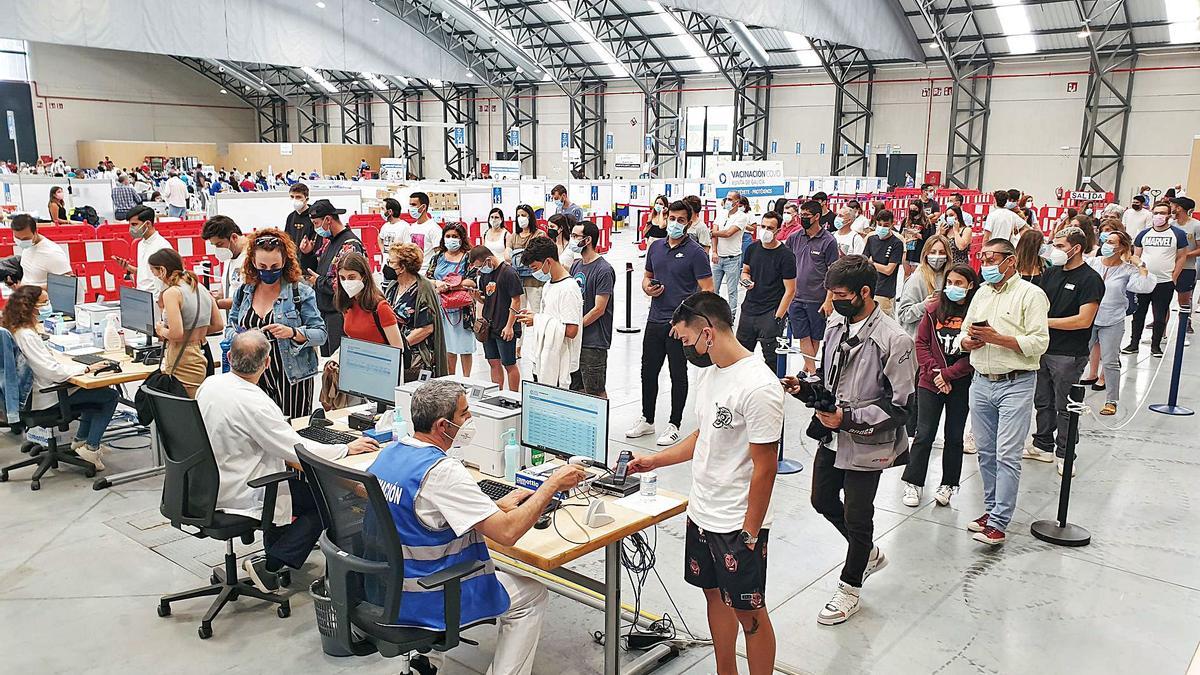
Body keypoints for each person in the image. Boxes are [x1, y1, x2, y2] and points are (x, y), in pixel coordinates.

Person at [366, 380, 587, 675]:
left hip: (389, 587)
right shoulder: (442, 471)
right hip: (428, 595)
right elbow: (507, 534)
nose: (470, 420)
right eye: (465, 414)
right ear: (443, 426)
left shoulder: (391, 453)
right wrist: (552, 485)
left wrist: (490, 507)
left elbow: (422, 511)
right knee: (532, 595)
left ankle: (428, 662)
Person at [625, 291, 782, 675]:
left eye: (684, 340)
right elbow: (704, 436)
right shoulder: (712, 375)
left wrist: (750, 531)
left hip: (737, 522)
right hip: (703, 511)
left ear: (707, 333)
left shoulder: (759, 386)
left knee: (750, 613)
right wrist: (654, 461)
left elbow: (766, 466)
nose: (682, 350)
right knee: (715, 596)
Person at [782, 255, 914, 625]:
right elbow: (828, 377)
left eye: (840, 294)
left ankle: (850, 588)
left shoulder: (895, 340)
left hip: (868, 442)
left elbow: (902, 407)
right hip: (831, 436)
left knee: (859, 517)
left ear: (864, 293)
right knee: (821, 499)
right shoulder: (835, 326)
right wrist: (805, 388)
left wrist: (850, 419)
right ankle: (867, 553)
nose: (833, 300)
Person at [196, 330, 378, 590]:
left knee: (296, 491)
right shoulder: (255, 402)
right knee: (325, 502)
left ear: (228, 356)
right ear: (267, 363)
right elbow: (297, 452)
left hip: (210, 485)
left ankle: (276, 555)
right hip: (246, 489)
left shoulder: (210, 385)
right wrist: (346, 447)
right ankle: (272, 563)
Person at [961, 238, 1050, 546]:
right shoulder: (981, 293)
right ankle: (991, 509)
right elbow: (964, 330)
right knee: (985, 453)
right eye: (982, 258)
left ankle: (999, 521)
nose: (986, 264)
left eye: (991, 258)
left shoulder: (1031, 295)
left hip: (1016, 383)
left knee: (1007, 455)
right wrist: (967, 341)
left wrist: (999, 339)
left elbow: (1039, 342)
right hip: (981, 381)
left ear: (1010, 261)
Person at [2, 285, 121, 470]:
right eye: (44, 303)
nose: (48, 306)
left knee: (94, 390)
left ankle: (80, 442)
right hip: (45, 397)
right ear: (30, 306)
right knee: (109, 396)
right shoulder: (26, 335)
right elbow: (51, 371)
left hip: (32, 394)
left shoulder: (15, 329)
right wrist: (87, 368)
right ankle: (90, 447)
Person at [626, 200, 714, 447]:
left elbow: (708, 289)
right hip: (655, 319)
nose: (675, 223)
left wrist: (690, 320)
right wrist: (648, 289)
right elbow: (647, 277)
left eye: (681, 220)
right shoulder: (655, 248)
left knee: (678, 373)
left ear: (688, 222)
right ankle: (648, 419)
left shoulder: (696, 253)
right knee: (648, 371)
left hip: (680, 325)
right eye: (672, 218)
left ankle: (674, 423)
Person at [1023, 227, 1103, 477]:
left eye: (1059, 246)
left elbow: (1083, 320)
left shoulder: (1090, 280)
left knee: (1065, 405)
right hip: (1043, 348)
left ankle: (1066, 453)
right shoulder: (1051, 273)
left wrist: (1045, 322)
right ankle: (1043, 444)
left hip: (1068, 353)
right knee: (1043, 400)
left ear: (1076, 248)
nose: (1054, 250)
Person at [228, 230, 327, 419]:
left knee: (293, 432)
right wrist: (242, 339)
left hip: (291, 377)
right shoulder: (244, 292)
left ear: (285, 263)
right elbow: (230, 327)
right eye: (262, 266)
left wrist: (292, 332)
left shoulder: (300, 293)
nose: (268, 271)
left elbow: (320, 334)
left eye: (275, 266)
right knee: (258, 431)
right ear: (253, 263)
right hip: (252, 375)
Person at [901, 264, 978, 508]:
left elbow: (974, 353)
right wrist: (936, 374)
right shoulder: (934, 310)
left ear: (970, 286)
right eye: (950, 283)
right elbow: (921, 343)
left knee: (954, 436)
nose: (954, 288)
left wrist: (948, 374)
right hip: (930, 382)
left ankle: (948, 484)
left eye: (960, 283)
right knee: (923, 434)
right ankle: (913, 483)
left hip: (960, 383)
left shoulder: (975, 313)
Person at [1082, 230, 1154, 415]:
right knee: (1079, 357)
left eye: (1112, 241)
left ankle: (1111, 400)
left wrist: (1140, 264)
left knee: (1110, 360)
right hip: (1087, 318)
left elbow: (1144, 287)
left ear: (1121, 247)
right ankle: (1072, 395)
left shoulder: (1127, 270)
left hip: (1112, 319)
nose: (1106, 244)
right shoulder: (1092, 263)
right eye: (1105, 240)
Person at [149, 248, 224, 397]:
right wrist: (197, 332)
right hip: (203, 350)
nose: (155, 277)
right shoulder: (199, 286)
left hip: (183, 357)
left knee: (185, 407)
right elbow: (218, 325)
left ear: (162, 270)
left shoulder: (172, 293)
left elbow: (176, 334)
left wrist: (161, 330)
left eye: (154, 272)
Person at [516, 237, 582, 388]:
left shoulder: (568, 288)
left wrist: (537, 320)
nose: (534, 272)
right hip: (544, 358)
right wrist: (534, 317)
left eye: (534, 267)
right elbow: (549, 318)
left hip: (562, 364)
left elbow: (572, 330)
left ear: (548, 261)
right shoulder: (548, 285)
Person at [1125, 203, 1187, 357]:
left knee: (1159, 316)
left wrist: (1174, 277)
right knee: (1138, 314)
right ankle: (1134, 344)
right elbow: (1136, 255)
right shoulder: (1143, 234)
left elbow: (1182, 257)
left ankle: (1156, 345)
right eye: (1156, 212)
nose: (1159, 216)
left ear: (1169, 215)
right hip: (1144, 281)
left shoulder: (1177, 234)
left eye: (1163, 213)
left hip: (1164, 282)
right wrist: (1138, 272)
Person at [303, 199, 365, 356]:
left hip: (340, 313)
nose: (316, 228)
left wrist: (319, 282)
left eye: (317, 223)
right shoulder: (329, 242)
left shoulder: (349, 245)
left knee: (338, 363)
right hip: (325, 312)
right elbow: (316, 270)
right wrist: (307, 254)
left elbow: (347, 285)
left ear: (328, 220)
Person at [785, 200, 839, 374]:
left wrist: (829, 299)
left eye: (807, 216)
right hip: (796, 296)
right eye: (801, 215)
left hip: (817, 298)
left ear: (817, 217)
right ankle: (813, 372)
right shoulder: (794, 238)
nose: (803, 218)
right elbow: (785, 262)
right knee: (802, 335)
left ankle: (806, 370)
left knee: (815, 337)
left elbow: (833, 272)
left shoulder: (829, 241)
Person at [738, 211, 796, 369]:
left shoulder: (786, 256)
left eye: (770, 228)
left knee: (772, 360)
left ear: (778, 230)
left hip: (770, 312)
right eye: (763, 226)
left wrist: (778, 317)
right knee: (741, 357)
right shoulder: (752, 248)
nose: (765, 230)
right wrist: (745, 280)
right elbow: (745, 271)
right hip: (748, 309)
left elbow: (790, 290)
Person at [383, 242, 447, 378]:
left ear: (402, 267)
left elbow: (427, 328)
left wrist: (400, 346)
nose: (387, 265)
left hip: (415, 357)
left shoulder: (422, 289)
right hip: (394, 352)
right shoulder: (393, 286)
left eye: (391, 262)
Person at [568, 220, 615, 398]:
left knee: (595, 389)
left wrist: (577, 326)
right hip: (576, 339)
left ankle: (601, 425)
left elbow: (599, 309)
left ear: (587, 240)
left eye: (575, 236)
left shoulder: (603, 270)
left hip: (593, 341)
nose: (572, 239)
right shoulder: (576, 265)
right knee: (576, 387)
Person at [468, 244, 523, 391]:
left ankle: (514, 396)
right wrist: (477, 298)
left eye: (480, 266)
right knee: (493, 362)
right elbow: (488, 299)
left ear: (488, 259)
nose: (480, 270)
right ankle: (497, 393)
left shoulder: (508, 273)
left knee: (509, 364)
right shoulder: (485, 274)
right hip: (489, 325)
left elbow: (516, 300)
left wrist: (510, 325)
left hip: (505, 324)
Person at [427, 222, 477, 376]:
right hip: (441, 307)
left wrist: (450, 286)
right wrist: (438, 283)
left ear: (462, 238)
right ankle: (451, 377)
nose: (451, 239)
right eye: (448, 236)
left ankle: (467, 379)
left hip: (462, 309)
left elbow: (472, 281)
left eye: (455, 236)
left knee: (465, 346)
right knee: (448, 346)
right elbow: (428, 278)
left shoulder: (468, 257)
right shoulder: (437, 258)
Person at [335, 252, 404, 348]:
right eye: (342, 278)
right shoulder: (347, 304)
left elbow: (398, 348)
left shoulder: (381, 307)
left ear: (364, 277)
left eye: (351, 277)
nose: (346, 282)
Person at [897, 235, 951, 336]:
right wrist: (924, 306)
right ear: (926, 254)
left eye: (942, 252)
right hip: (919, 338)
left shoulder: (950, 278)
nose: (937, 256)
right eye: (933, 252)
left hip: (942, 337)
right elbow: (904, 314)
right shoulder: (916, 279)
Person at [116, 206, 173, 298]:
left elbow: (169, 278)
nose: (130, 228)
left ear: (148, 224)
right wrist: (128, 268)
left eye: (134, 224)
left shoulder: (162, 246)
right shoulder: (141, 244)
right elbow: (147, 274)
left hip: (156, 298)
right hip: (142, 296)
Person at [711, 194, 749, 321]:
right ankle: (713, 314)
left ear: (737, 202)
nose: (727, 201)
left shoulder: (742, 217)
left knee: (732, 291)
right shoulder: (721, 213)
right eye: (727, 198)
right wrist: (714, 251)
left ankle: (730, 317)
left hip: (732, 258)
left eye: (730, 199)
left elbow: (728, 233)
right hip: (718, 258)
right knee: (713, 289)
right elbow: (714, 234)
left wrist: (713, 233)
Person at [861, 210, 904, 317]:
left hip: (885, 291)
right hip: (869, 289)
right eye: (879, 224)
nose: (882, 227)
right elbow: (864, 262)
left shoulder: (897, 243)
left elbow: (888, 270)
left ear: (892, 224)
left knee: (883, 324)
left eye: (886, 225)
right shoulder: (871, 239)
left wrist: (872, 263)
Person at [10, 213, 70, 287]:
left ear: (36, 232)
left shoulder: (52, 253)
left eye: (25, 239)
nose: (21, 242)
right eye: (17, 238)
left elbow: (67, 283)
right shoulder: (28, 246)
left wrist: (31, 289)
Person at [201, 215, 246, 311]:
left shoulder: (252, 258)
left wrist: (215, 304)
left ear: (234, 237)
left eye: (219, 244)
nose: (218, 249)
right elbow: (228, 285)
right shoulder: (229, 254)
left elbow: (247, 298)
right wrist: (217, 295)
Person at [1170, 197, 1200, 334]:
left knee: (1184, 298)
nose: (1171, 207)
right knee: (1163, 298)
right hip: (1169, 267)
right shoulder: (1171, 224)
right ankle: (1160, 325)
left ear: (1180, 208)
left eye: (1173, 205)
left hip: (1187, 268)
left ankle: (1186, 323)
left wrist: (1184, 256)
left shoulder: (1196, 225)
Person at [510, 203, 545, 316]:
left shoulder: (539, 234)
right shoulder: (514, 235)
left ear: (530, 216)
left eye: (523, 215)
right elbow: (507, 253)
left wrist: (517, 255)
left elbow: (536, 253)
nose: (521, 218)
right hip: (518, 280)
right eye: (518, 215)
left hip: (535, 279)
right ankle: (522, 334)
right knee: (520, 312)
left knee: (536, 311)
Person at [285, 183, 319, 271]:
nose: (294, 200)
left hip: (311, 265)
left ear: (306, 198)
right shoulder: (290, 217)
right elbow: (287, 240)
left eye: (298, 197)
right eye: (292, 197)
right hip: (294, 265)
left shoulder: (315, 217)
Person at [407, 191, 443, 264]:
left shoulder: (434, 228)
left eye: (414, 205)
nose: (411, 208)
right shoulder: (412, 227)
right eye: (410, 205)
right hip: (413, 270)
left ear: (423, 207)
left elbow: (439, 253)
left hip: (426, 271)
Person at [901, 203, 934, 276]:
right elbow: (901, 235)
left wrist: (915, 233)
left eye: (915, 209)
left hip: (918, 250)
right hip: (907, 249)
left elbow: (927, 238)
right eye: (911, 209)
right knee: (906, 272)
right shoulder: (906, 220)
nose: (912, 211)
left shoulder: (925, 221)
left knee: (916, 273)